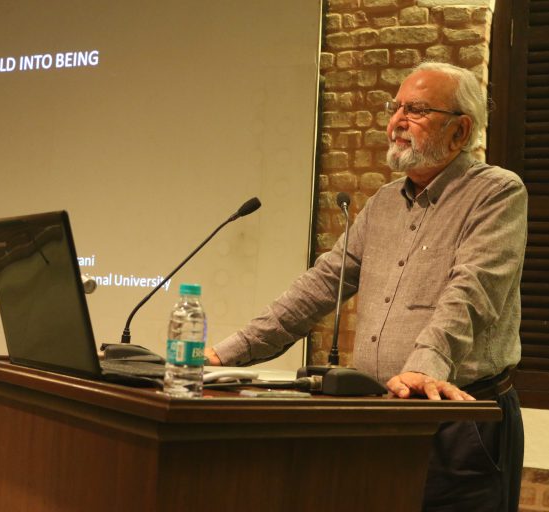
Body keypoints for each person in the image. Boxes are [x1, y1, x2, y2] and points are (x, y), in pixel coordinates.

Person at [205, 61, 527, 512]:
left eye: (415, 110)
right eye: (395, 108)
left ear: (460, 130)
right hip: (382, 418)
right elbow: (320, 286)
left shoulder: (496, 194)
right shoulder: (382, 205)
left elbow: (473, 290)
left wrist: (424, 367)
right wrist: (225, 354)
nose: (396, 122)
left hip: (460, 422)